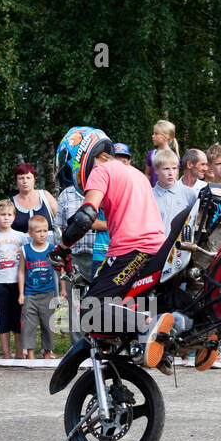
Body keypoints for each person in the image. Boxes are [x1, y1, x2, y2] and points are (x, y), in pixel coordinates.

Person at [57, 126, 171, 369]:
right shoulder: (136, 173)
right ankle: (153, 343)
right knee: (115, 308)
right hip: (157, 251)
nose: (75, 178)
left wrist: (63, 245)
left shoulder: (100, 171)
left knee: (90, 311)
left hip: (131, 251)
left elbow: (86, 215)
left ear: (80, 154)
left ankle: (147, 326)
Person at [0, 201, 24, 359]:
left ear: (14, 217)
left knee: (18, 319)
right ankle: (7, 355)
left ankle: (20, 354)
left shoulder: (21, 237)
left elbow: (25, 260)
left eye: (9, 215)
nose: (6, 218)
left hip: (18, 283)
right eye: (2, 215)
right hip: (0, 282)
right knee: (3, 318)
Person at [19, 214, 58, 360]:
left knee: (48, 324)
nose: (42, 234)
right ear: (30, 233)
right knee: (29, 325)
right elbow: (21, 271)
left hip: (48, 292)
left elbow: (59, 271)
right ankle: (30, 353)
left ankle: (47, 352)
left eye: (45, 231)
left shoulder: (53, 249)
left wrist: (62, 290)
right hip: (30, 294)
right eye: (38, 231)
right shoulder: (25, 250)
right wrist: (21, 293)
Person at [4, 163, 57, 245]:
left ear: (34, 179)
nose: (25, 181)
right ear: (16, 181)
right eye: (21, 178)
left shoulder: (45, 196)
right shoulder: (10, 203)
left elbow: (60, 220)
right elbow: (5, 229)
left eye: (28, 177)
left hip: (49, 250)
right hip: (21, 252)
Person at [152, 148, 195, 229]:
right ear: (156, 170)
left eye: (174, 168)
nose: (171, 173)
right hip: (157, 241)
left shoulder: (189, 194)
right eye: (166, 169)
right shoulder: (149, 195)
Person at [145, 120, 179, 186]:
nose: (153, 136)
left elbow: (175, 178)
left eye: (156, 134)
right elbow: (147, 174)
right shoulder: (151, 154)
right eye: (153, 133)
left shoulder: (174, 156)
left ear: (166, 137)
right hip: (153, 193)